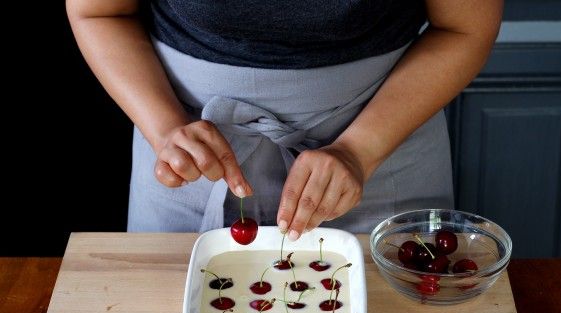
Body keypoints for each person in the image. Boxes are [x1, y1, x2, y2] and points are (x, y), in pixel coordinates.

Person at [67, 0, 503, 241]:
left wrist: (359, 151)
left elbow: (465, 28)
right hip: (190, 160)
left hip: (381, 151)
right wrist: (164, 127)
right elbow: (98, 11)